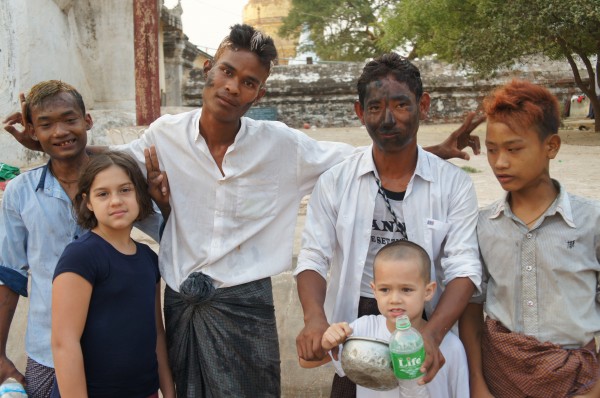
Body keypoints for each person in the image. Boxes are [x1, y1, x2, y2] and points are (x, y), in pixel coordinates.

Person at [5, 25, 482, 397]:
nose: (234, 86)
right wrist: (55, 144)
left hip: (245, 306)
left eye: (249, 82)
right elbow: (109, 165)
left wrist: (435, 149)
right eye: (228, 72)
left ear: (260, 94)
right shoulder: (163, 136)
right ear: (209, 68)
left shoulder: (283, 147)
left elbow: (370, 155)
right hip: (181, 302)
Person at [294, 53, 482, 397]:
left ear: (423, 105)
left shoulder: (453, 185)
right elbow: (313, 257)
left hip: (425, 314)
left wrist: (433, 333)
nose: (388, 119)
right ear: (359, 111)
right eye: (376, 107)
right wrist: (314, 319)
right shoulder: (336, 182)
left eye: (401, 105)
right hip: (358, 320)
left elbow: (464, 266)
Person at [0, 81, 162, 398]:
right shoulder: (20, 192)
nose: (60, 131)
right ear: (31, 131)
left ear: (87, 121)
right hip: (48, 353)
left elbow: (168, 236)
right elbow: (9, 275)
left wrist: (162, 201)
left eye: (69, 120)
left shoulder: (119, 187)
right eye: (46, 125)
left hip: (118, 356)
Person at [459, 79, 600, 398]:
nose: (500, 163)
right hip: (500, 376)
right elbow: (472, 309)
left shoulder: (592, 221)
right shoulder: (482, 225)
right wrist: (478, 384)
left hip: (580, 380)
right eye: (492, 150)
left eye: (514, 149)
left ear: (551, 146)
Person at [50, 151, 174, 398]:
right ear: (88, 202)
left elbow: (156, 332)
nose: (116, 201)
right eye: (103, 194)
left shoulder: (149, 258)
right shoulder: (81, 256)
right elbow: (64, 342)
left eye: (125, 190)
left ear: (140, 194)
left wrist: (168, 391)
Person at [301, 240, 469, 398]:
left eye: (406, 289)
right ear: (374, 290)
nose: (395, 299)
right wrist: (326, 343)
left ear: (428, 291)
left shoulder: (451, 346)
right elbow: (305, 362)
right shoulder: (363, 331)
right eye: (385, 290)